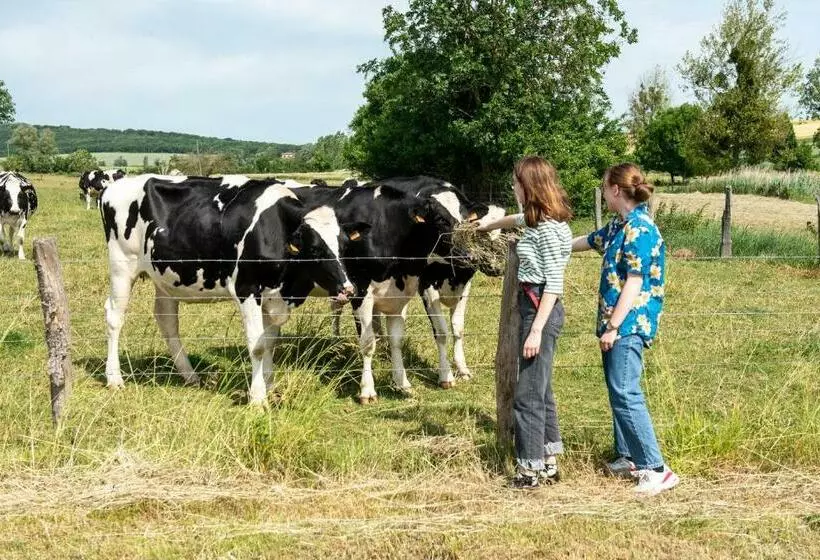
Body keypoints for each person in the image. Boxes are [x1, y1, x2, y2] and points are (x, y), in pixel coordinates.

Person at [571, 163, 679, 495]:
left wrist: (613, 327)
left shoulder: (640, 230)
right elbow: (587, 241)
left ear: (616, 190)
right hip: (615, 325)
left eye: (604, 188)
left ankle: (656, 468)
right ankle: (629, 457)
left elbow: (634, 283)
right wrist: (551, 244)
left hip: (628, 325)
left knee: (626, 392)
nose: (603, 194)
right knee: (619, 391)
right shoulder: (620, 227)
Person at [478, 155, 573, 489]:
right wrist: (488, 226)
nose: (513, 186)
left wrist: (534, 330)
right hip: (536, 308)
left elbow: (555, 284)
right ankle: (548, 461)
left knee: (527, 395)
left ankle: (529, 470)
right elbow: (516, 219)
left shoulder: (546, 230)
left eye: (516, 182)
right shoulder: (542, 219)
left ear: (528, 186)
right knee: (541, 390)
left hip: (540, 310)